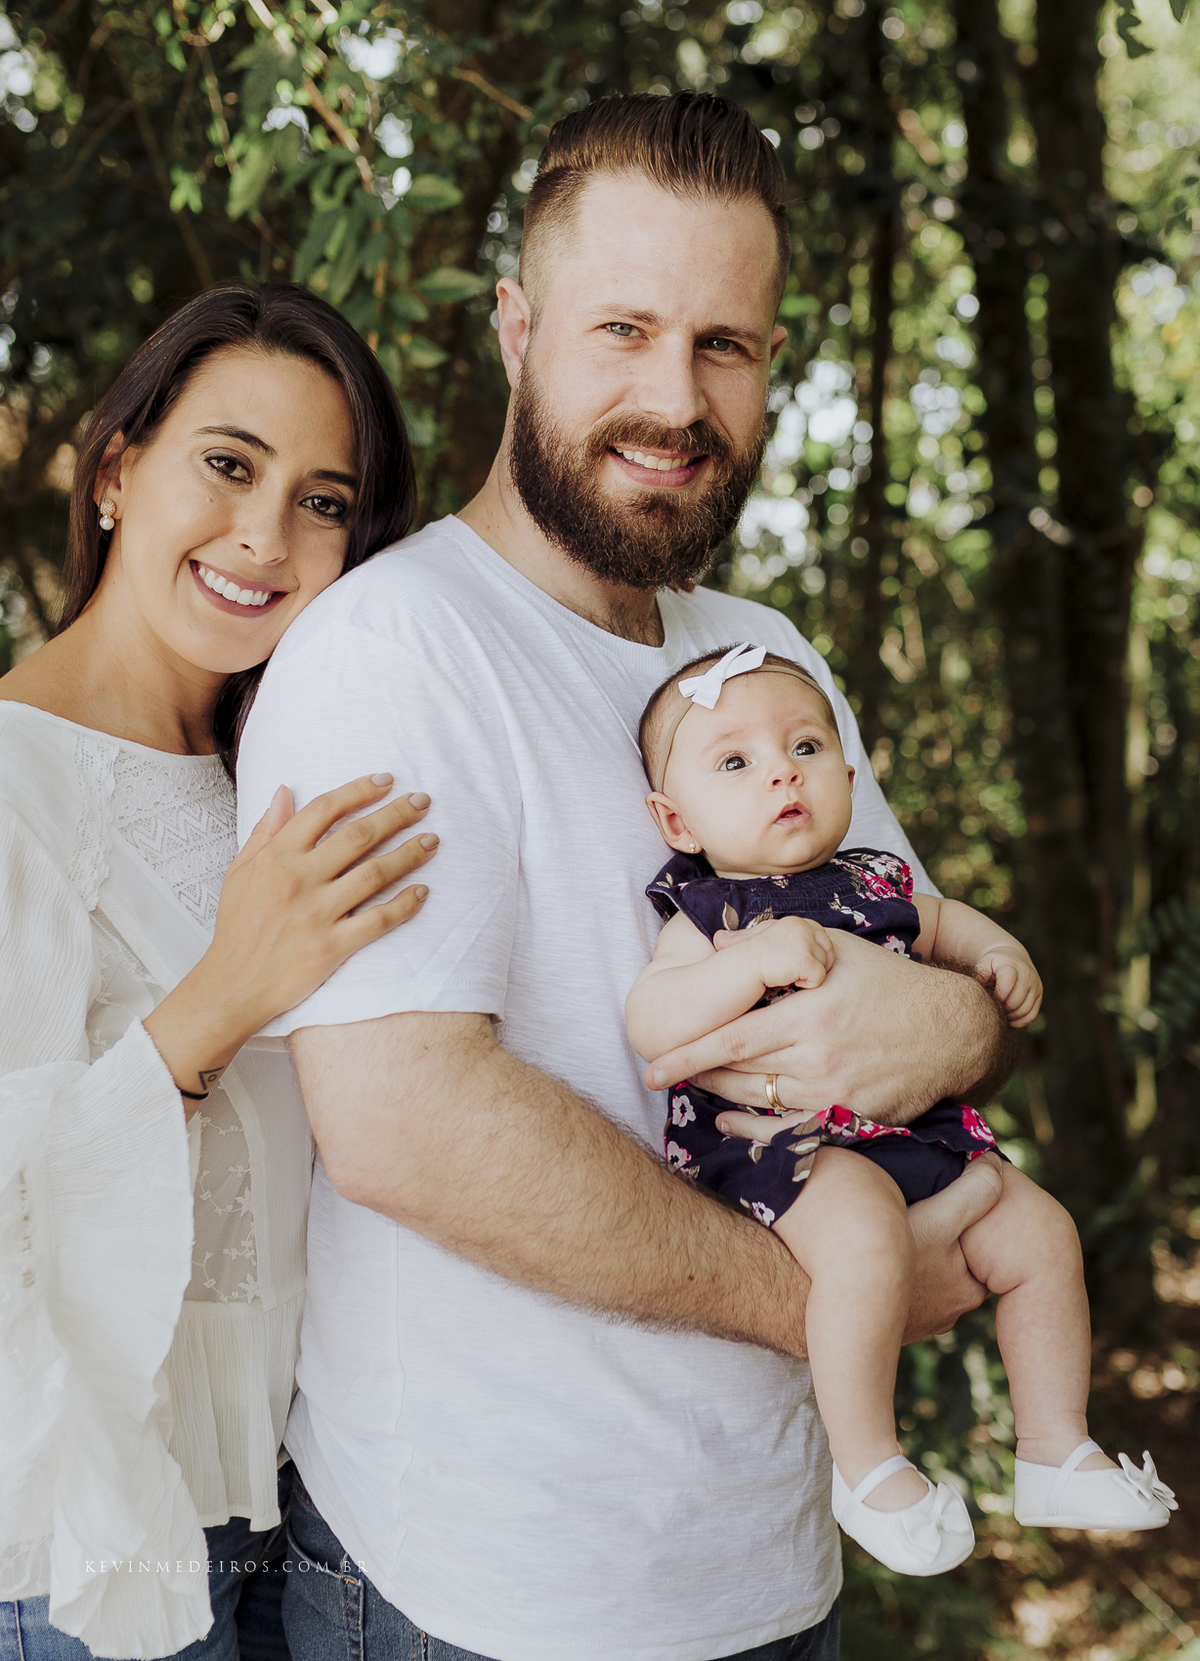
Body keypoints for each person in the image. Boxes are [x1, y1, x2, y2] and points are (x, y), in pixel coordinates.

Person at [236, 94, 1017, 1661]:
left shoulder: (767, 657)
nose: (675, 397)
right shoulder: (393, 653)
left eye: (723, 343)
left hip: (771, 1566)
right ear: (518, 328)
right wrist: (839, 1298)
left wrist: (963, 1033)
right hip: (483, 1591)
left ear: (774, 363)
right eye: (624, 328)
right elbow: (406, 1127)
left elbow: (928, 976)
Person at [0, 282, 438, 1660]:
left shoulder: (284, 783)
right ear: (117, 469)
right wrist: (220, 1000)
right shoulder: (13, 777)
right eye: (230, 465)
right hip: (81, 1547)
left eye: (324, 500)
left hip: (309, 1523)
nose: (266, 534)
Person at [627, 642, 1176, 1576]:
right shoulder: (707, 912)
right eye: (735, 762)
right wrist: (749, 965)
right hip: (784, 1147)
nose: (780, 774)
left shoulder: (876, 879)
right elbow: (651, 1017)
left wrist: (997, 954)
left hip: (911, 1126)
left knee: (1041, 1230)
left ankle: (1053, 1446)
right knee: (865, 1237)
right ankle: (868, 1463)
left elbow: (945, 923)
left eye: (804, 746)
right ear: (676, 817)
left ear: (847, 772)